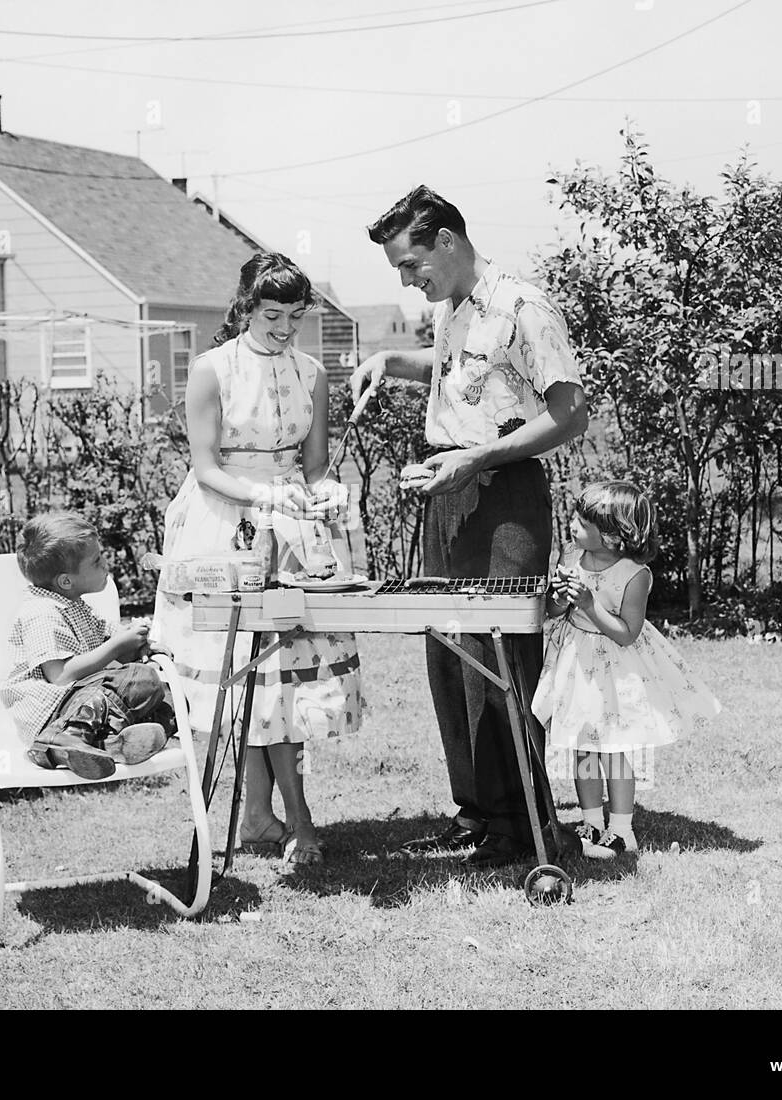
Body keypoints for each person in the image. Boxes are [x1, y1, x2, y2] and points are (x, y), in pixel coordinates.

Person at [352, 185, 588, 867]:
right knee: (450, 657)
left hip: (503, 491)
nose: (406, 279)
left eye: (411, 266)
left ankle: (525, 826)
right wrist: (391, 363)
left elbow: (569, 411)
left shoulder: (524, 307)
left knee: (500, 657)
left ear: (447, 243)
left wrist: (480, 458)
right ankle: (477, 814)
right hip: (447, 490)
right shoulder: (453, 308)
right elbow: (464, 373)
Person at [152, 252, 362, 868]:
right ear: (246, 307)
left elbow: (316, 463)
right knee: (245, 673)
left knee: (283, 675)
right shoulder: (212, 369)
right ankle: (285, 818)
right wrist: (262, 492)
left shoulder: (313, 372)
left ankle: (265, 816)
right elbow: (206, 466)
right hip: (225, 521)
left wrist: (327, 490)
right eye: (273, 316)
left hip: (291, 524)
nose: (284, 330)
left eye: (295, 318)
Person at [533, 481, 722, 856]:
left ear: (613, 536)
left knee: (615, 748)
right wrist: (557, 598)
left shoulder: (635, 575)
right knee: (583, 746)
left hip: (615, 670)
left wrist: (588, 603)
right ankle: (590, 823)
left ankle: (621, 829)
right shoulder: (571, 556)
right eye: (575, 516)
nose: (572, 525)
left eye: (583, 522)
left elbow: (627, 633)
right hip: (576, 666)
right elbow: (551, 613)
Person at [0, 512, 174, 781]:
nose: (106, 564)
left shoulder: (74, 605)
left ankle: (105, 746)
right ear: (66, 580)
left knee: (164, 704)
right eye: (96, 561)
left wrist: (139, 643)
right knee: (141, 679)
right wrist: (118, 647)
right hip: (51, 712)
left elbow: (107, 641)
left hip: (81, 700)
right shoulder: (41, 612)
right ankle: (66, 737)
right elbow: (61, 676)